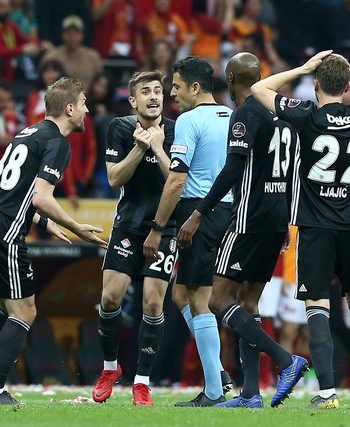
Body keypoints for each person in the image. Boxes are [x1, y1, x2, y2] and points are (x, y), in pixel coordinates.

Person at [251, 50, 350, 409]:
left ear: (315, 85)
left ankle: (328, 393)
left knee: (317, 307)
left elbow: (259, 89)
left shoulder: (306, 115)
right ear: (346, 87)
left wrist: (303, 67)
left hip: (316, 226)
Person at [0, 77, 107, 405]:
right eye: (83, 104)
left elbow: (15, 193)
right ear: (69, 108)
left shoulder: (27, 133)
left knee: (6, 306)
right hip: (4, 231)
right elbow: (41, 197)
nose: (87, 111)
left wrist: (44, 223)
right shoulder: (58, 143)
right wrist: (75, 226)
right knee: (25, 311)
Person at [177, 52, 308, 409]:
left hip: (249, 219)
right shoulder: (285, 115)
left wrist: (198, 213)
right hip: (276, 219)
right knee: (249, 303)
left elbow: (233, 169)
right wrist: (287, 220)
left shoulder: (247, 112)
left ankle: (285, 360)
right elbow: (293, 172)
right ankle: (250, 393)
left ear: (231, 78)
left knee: (218, 300)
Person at [142, 56, 233, 407]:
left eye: (177, 87)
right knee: (181, 295)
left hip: (199, 214)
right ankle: (218, 374)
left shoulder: (189, 120)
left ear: (195, 88)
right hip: (229, 211)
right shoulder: (232, 117)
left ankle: (214, 391)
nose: (172, 95)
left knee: (199, 300)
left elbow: (177, 180)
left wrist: (157, 227)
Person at [91, 71, 176, 406]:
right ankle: (110, 368)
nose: (153, 96)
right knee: (110, 297)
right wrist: (140, 148)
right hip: (128, 225)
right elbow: (114, 178)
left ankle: (142, 382)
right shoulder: (120, 128)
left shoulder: (176, 130)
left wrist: (158, 147)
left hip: (165, 227)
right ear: (133, 100)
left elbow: (177, 181)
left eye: (157, 91)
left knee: (153, 303)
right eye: (145, 92)